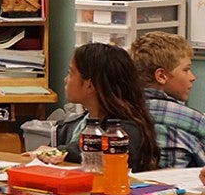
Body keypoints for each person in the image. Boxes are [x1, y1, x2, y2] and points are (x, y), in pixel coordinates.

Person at [26, 43, 159, 172]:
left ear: (90, 86)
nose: (65, 80)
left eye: (71, 73)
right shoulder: (70, 126)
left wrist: (62, 152)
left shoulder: (127, 129)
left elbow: (107, 149)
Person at [130, 32, 205, 168]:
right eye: (186, 70)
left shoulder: (124, 109)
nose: (192, 77)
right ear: (161, 76)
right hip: (182, 186)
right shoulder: (192, 119)